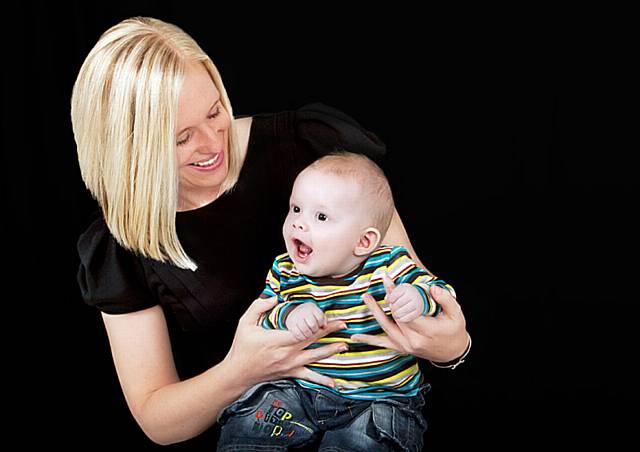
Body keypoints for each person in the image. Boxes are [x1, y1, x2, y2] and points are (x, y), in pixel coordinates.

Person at [72, 16, 471, 449]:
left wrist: (452, 344)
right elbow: (158, 420)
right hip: (267, 418)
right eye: (181, 138)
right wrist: (243, 369)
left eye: (215, 111)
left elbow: (413, 285)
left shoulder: (310, 148)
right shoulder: (119, 243)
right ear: (131, 146)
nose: (212, 143)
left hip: (373, 405)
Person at [216, 152, 462, 451]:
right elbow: (263, 318)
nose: (298, 224)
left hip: (379, 397)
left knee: (365, 440)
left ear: (364, 242)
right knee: (250, 423)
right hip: (299, 390)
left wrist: (417, 299)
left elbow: (439, 290)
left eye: (320, 217)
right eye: (295, 209)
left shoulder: (389, 265)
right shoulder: (285, 270)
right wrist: (289, 315)